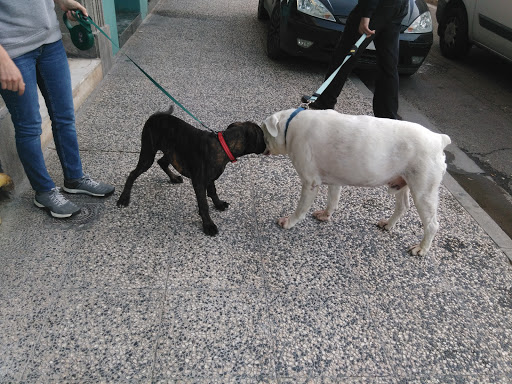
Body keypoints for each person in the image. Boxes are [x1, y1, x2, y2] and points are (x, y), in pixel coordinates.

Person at [0, 0, 114, 219]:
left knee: (64, 116)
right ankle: (43, 191)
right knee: (29, 126)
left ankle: (74, 178)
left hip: (50, 41)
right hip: (12, 51)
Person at [303, 0, 408, 120]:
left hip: (378, 5)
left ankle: (325, 101)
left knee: (345, 53)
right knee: (388, 64)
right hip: (400, 6)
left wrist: (366, 14)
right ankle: (388, 117)